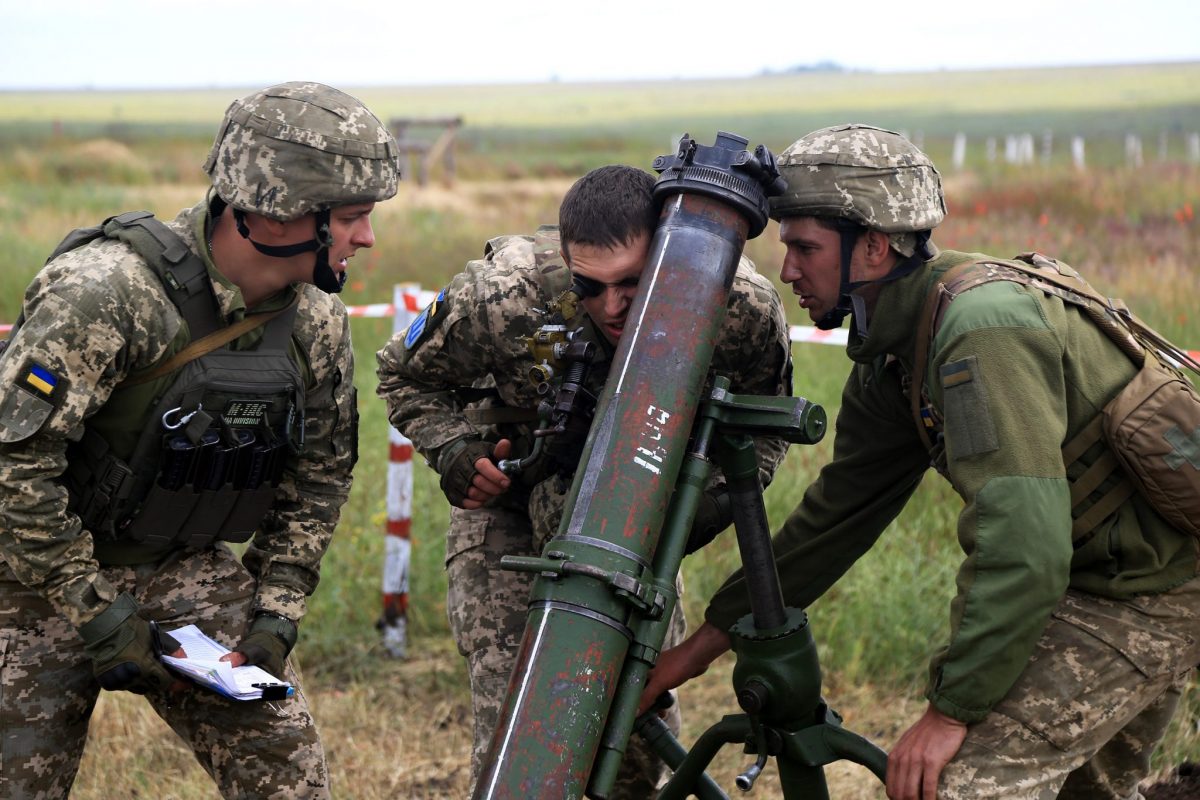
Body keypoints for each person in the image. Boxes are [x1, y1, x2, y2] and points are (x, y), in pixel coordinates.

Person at [642, 124, 1200, 800]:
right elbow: (837, 517)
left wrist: (949, 711)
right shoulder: (896, 347)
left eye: (805, 248)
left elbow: (1023, 543)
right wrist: (692, 653)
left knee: (955, 786)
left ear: (875, 246)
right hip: (1105, 576)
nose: (788, 271)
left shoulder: (979, 329)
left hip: (1154, 585)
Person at [0, 81, 398, 798]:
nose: (366, 238)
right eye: (350, 218)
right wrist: (93, 608)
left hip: (181, 568)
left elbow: (320, 475)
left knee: (290, 779)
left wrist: (275, 615)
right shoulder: (107, 293)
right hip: (32, 575)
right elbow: (14, 463)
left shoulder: (316, 323)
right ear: (277, 211)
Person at [376, 164, 793, 795]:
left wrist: (705, 510)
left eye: (631, 282)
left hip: (638, 522)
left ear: (670, 255)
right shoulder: (505, 295)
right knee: (520, 740)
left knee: (633, 741)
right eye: (589, 287)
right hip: (514, 520)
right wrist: (455, 451)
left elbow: (766, 426)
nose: (611, 305)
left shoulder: (735, 307)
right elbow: (400, 373)